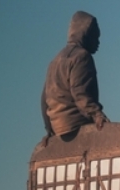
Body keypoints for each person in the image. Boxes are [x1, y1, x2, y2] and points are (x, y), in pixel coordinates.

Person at [41, 11, 107, 143]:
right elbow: (80, 94)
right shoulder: (82, 57)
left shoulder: (55, 60)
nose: (98, 42)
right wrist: (98, 115)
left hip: (57, 128)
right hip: (76, 124)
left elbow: (44, 99)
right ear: (86, 34)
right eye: (96, 37)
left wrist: (49, 129)